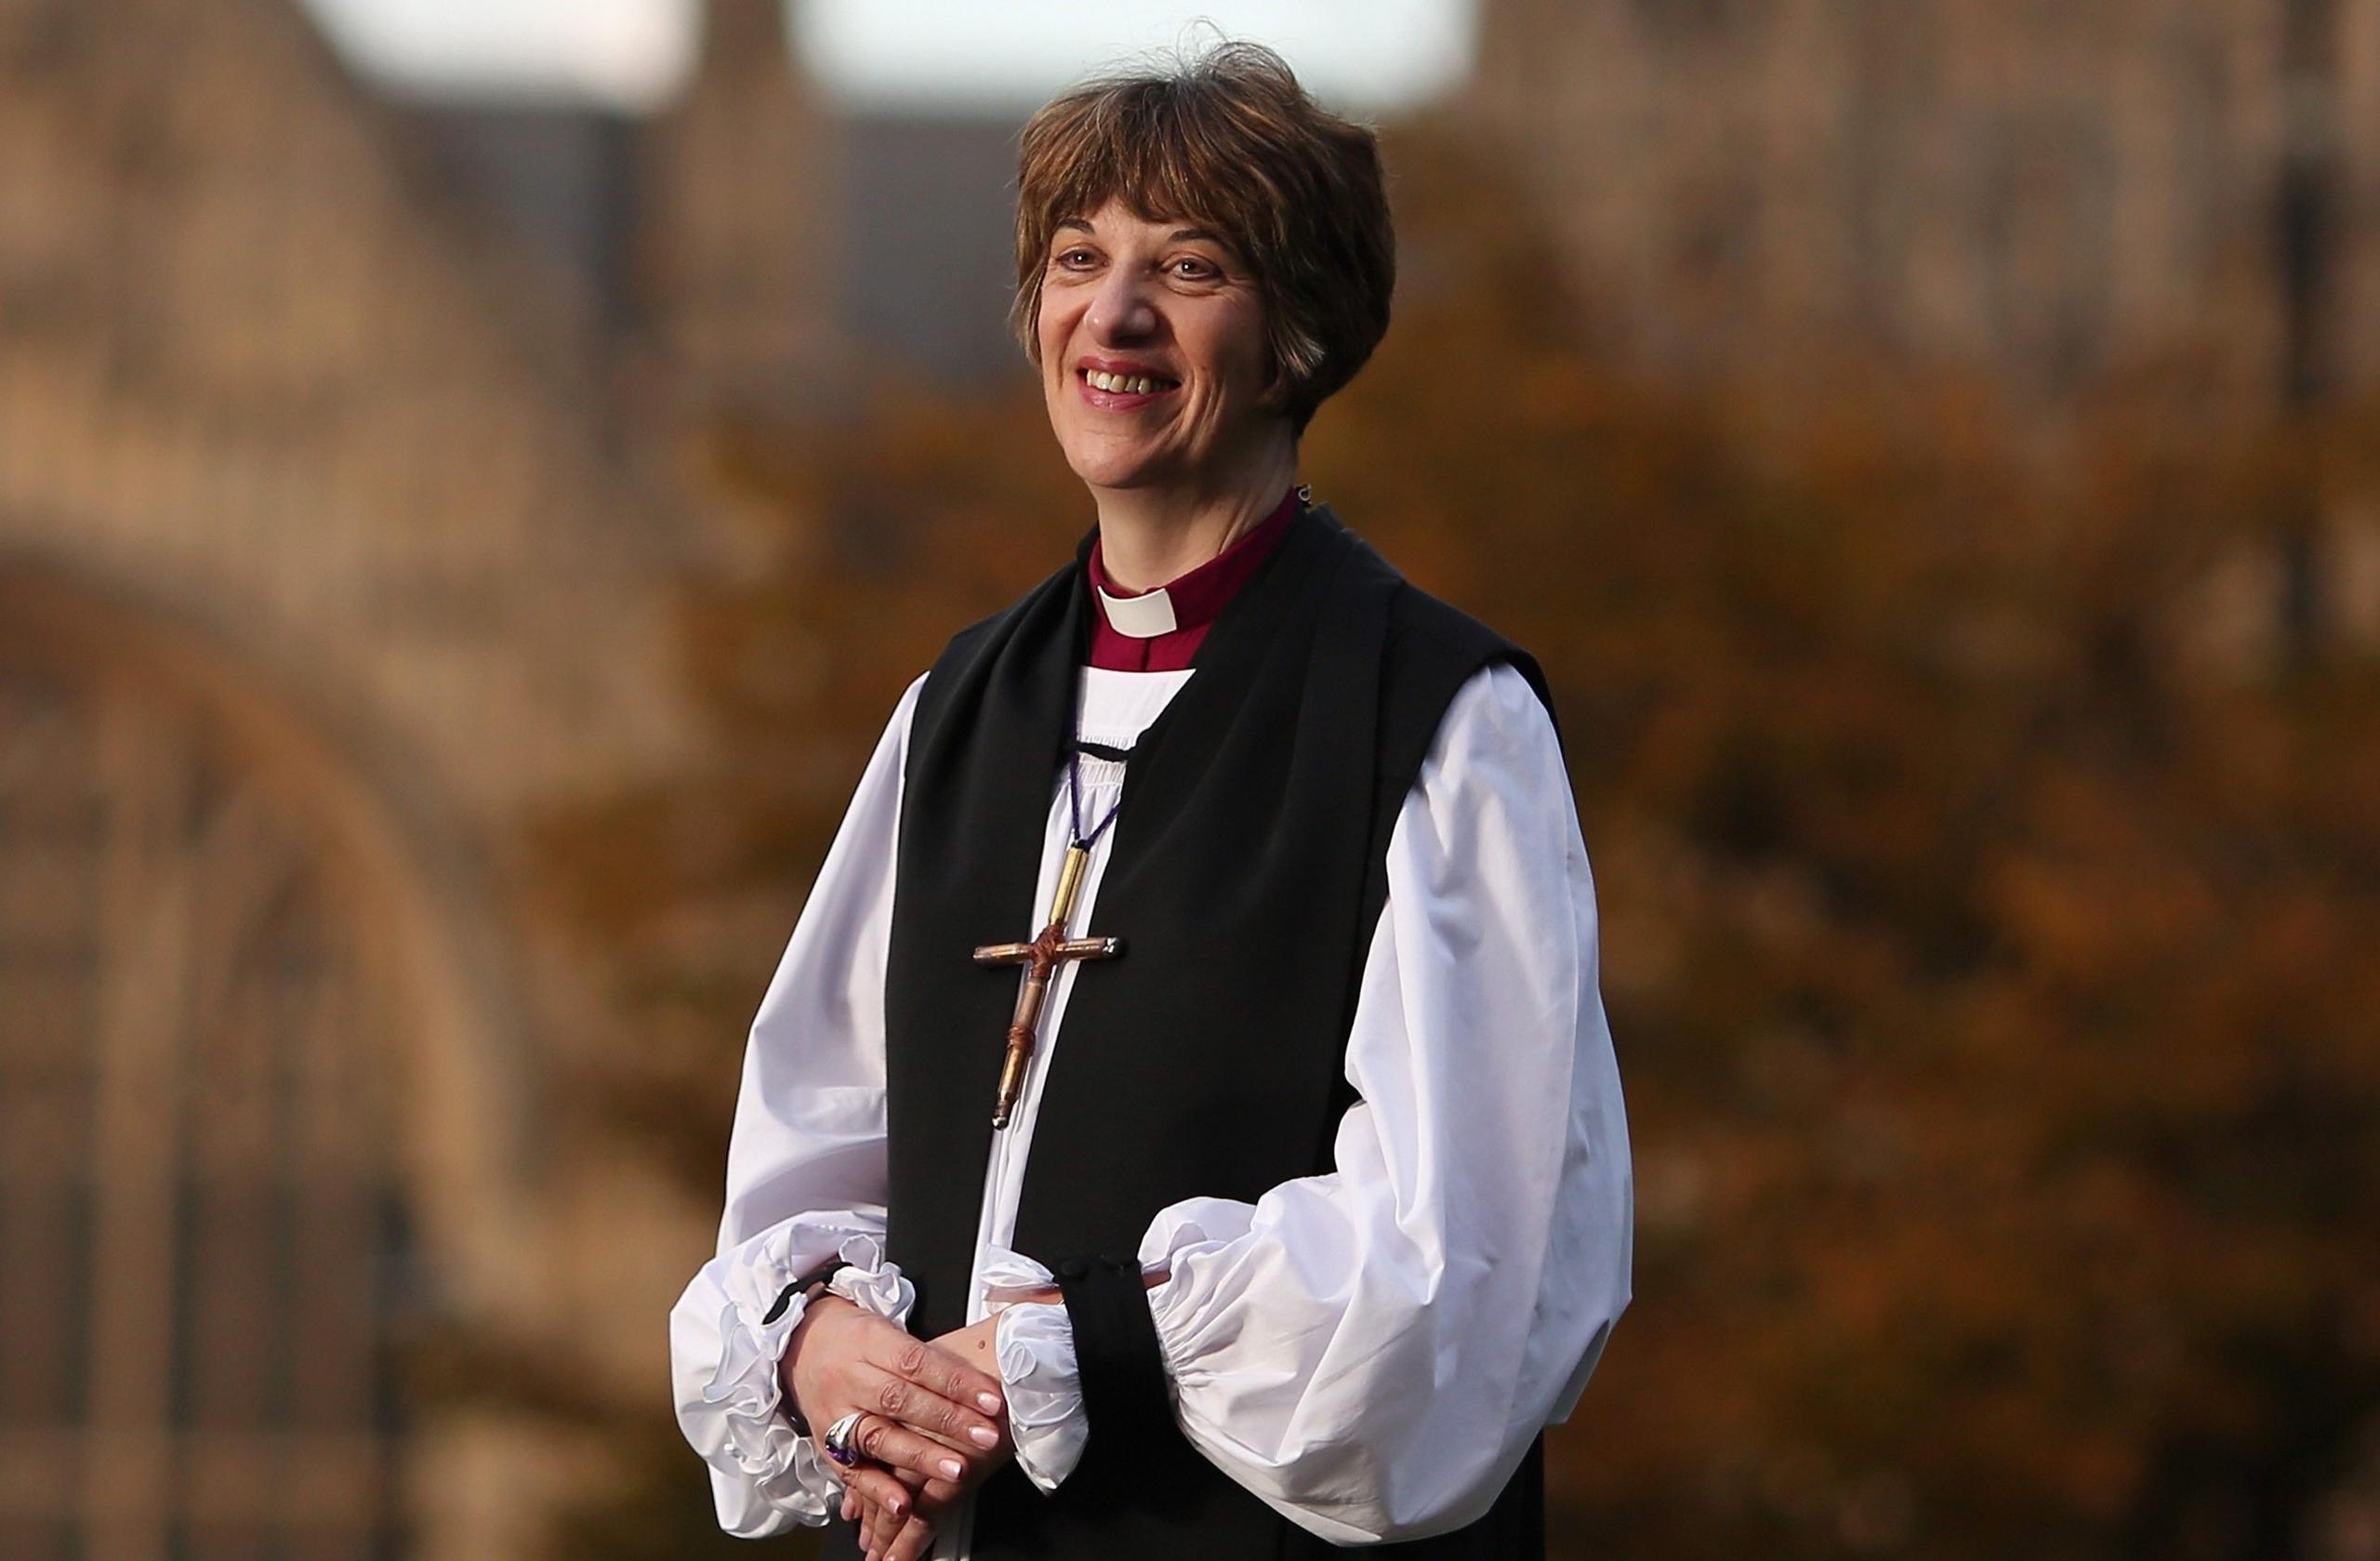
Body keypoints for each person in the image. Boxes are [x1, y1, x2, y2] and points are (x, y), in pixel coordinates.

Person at [668, 41, 1633, 1561]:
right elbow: (810, 1155)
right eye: (1076, 260)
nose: (1110, 317)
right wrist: (826, 1360)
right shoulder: (958, 716)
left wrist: (1048, 1361)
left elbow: (1460, 1286)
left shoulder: (1441, 724)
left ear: (1299, 333)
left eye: (1185, 268)